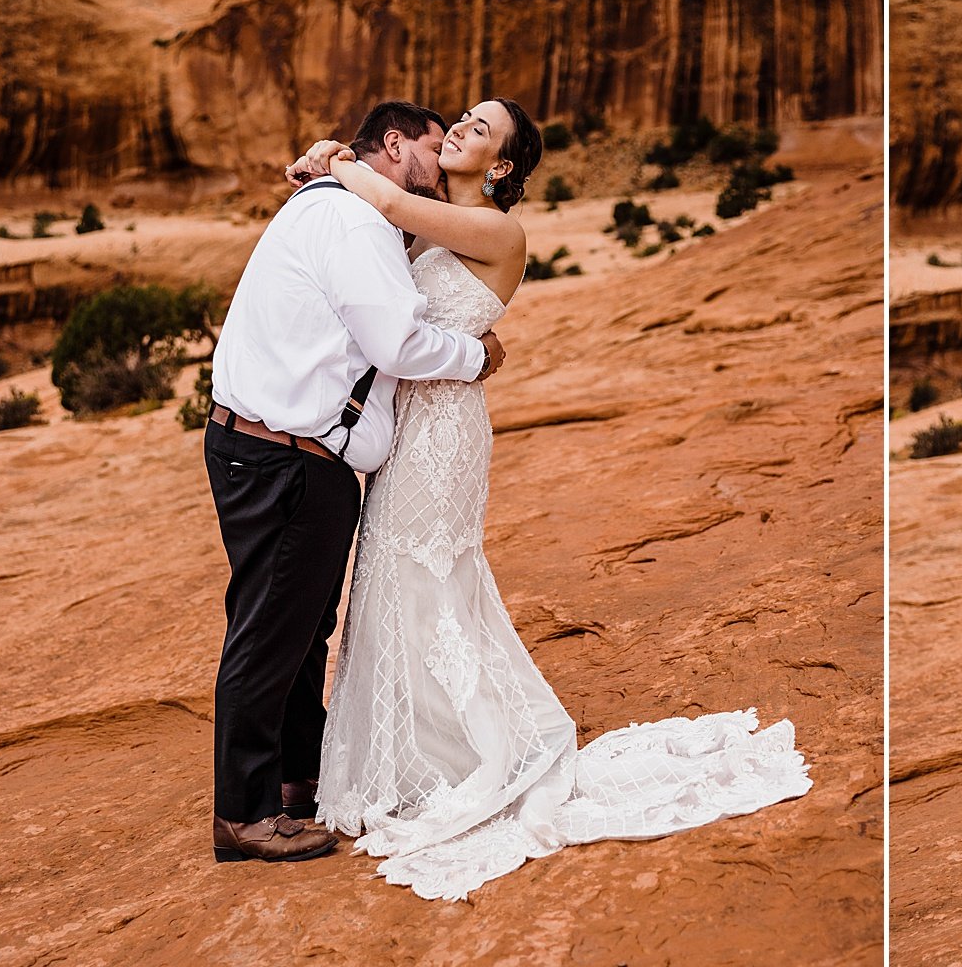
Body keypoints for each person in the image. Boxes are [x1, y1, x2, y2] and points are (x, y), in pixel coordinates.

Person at [290, 97, 812, 902]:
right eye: (461, 118)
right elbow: (375, 235)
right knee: (389, 583)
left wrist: (341, 158)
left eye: (480, 130)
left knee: (423, 579)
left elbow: (385, 201)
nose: (461, 127)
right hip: (407, 430)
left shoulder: (495, 230)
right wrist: (334, 152)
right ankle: (408, 752)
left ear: (500, 167)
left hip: (444, 433)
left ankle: (464, 757)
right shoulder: (434, 221)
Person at [204, 100, 506, 864]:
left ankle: (295, 784)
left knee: (303, 629)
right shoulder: (354, 220)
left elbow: (400, 228)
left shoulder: (347, 205)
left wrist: (328, 161)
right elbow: (396, 341)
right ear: (396, 145)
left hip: (284, 449)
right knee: (275, 633)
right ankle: (244, 814)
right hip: (291, 457)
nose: (441, 161)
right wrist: (479, 358)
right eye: (436, 145)